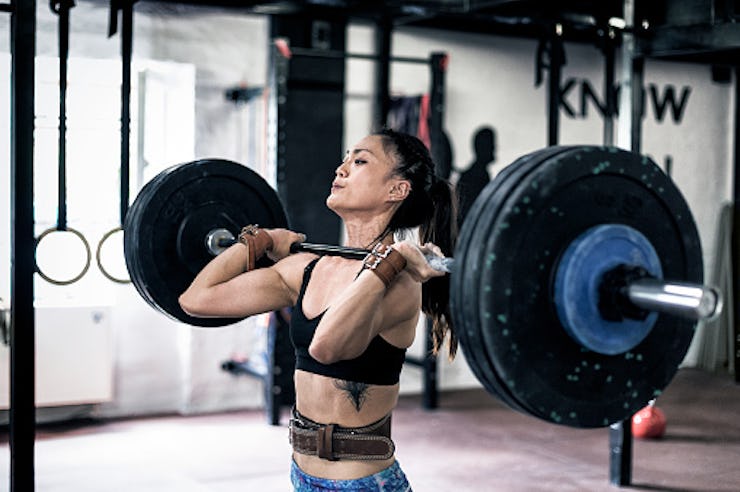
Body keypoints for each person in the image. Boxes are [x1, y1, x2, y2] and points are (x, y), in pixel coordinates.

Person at [178, 128, 458, 491]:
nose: (341, 169)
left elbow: (326, 346)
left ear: (397, 190)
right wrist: (257, 240)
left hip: (364, 483)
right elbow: (196, 300)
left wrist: (393, 260)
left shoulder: (400, 284)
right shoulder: (307, 268)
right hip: (302, 475)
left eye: (359, 161)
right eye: (345, 158)